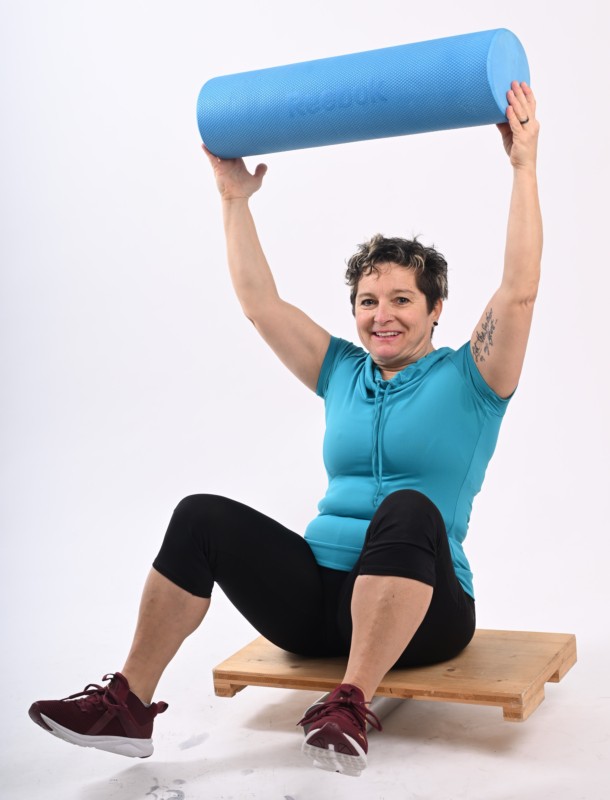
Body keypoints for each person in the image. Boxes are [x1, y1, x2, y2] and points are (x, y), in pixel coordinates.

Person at [29, 81, 541, 777]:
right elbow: (260, 303)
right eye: (367, 300)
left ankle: (350, 703)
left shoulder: (471, 379)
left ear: (436, 309)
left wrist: (523, 166)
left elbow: (518, 291)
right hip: (317, 608)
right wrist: (233, 199)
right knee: (200, 517)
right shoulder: (342, 372)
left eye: (401, 299)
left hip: (426, 618)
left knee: (408, 506)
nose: (382, 315)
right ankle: (127, 704)